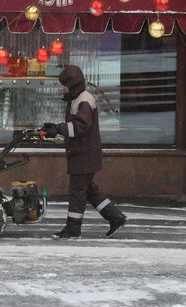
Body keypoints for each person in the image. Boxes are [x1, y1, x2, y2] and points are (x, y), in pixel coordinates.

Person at [41, 65, 127, 240]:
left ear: (73, 84)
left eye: (64, 84)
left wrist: (59, 129)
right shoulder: (77, 98)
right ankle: (115, 217)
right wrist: (57, 128)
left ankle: (73, 230)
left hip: (84, 155)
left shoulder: (84, 100)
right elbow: (76, 125)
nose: (62, 88)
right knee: (88, 190)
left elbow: (81, 126)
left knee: (77, 193)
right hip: (83, 154)